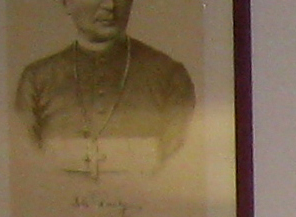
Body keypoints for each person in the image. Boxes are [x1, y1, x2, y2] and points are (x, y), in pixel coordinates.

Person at [17, 0, 197, 179]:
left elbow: (178, 163)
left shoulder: (170, 75)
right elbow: (27, 164)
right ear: (67, 3)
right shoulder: (36, 79)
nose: (110, 5)